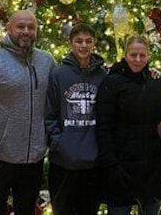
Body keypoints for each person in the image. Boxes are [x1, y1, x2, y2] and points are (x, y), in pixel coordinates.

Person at [0, 9, 56, 215]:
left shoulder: (47, 62)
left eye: (31, 27)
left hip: (33, 160)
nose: (26, 31)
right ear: (8, 29)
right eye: (20, 27)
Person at [96, 35, 161, 215]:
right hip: (121, 168)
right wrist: (111, 164)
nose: (138, 60)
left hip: (151, 170)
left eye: (142, 55)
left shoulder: (156, 83)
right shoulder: (111, 82)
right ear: (125, 55)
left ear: (149, 56)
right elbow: (103, 127)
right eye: (133, 55)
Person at [45, 25, 107, 215]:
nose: (84, 46)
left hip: (93, 163)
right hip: (64, 163)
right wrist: (59, 142)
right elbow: (49, 114)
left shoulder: (102, 76)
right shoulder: (58, 74)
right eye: (79, 41)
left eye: (88, 41)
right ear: (70, 44)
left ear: (94, 44)